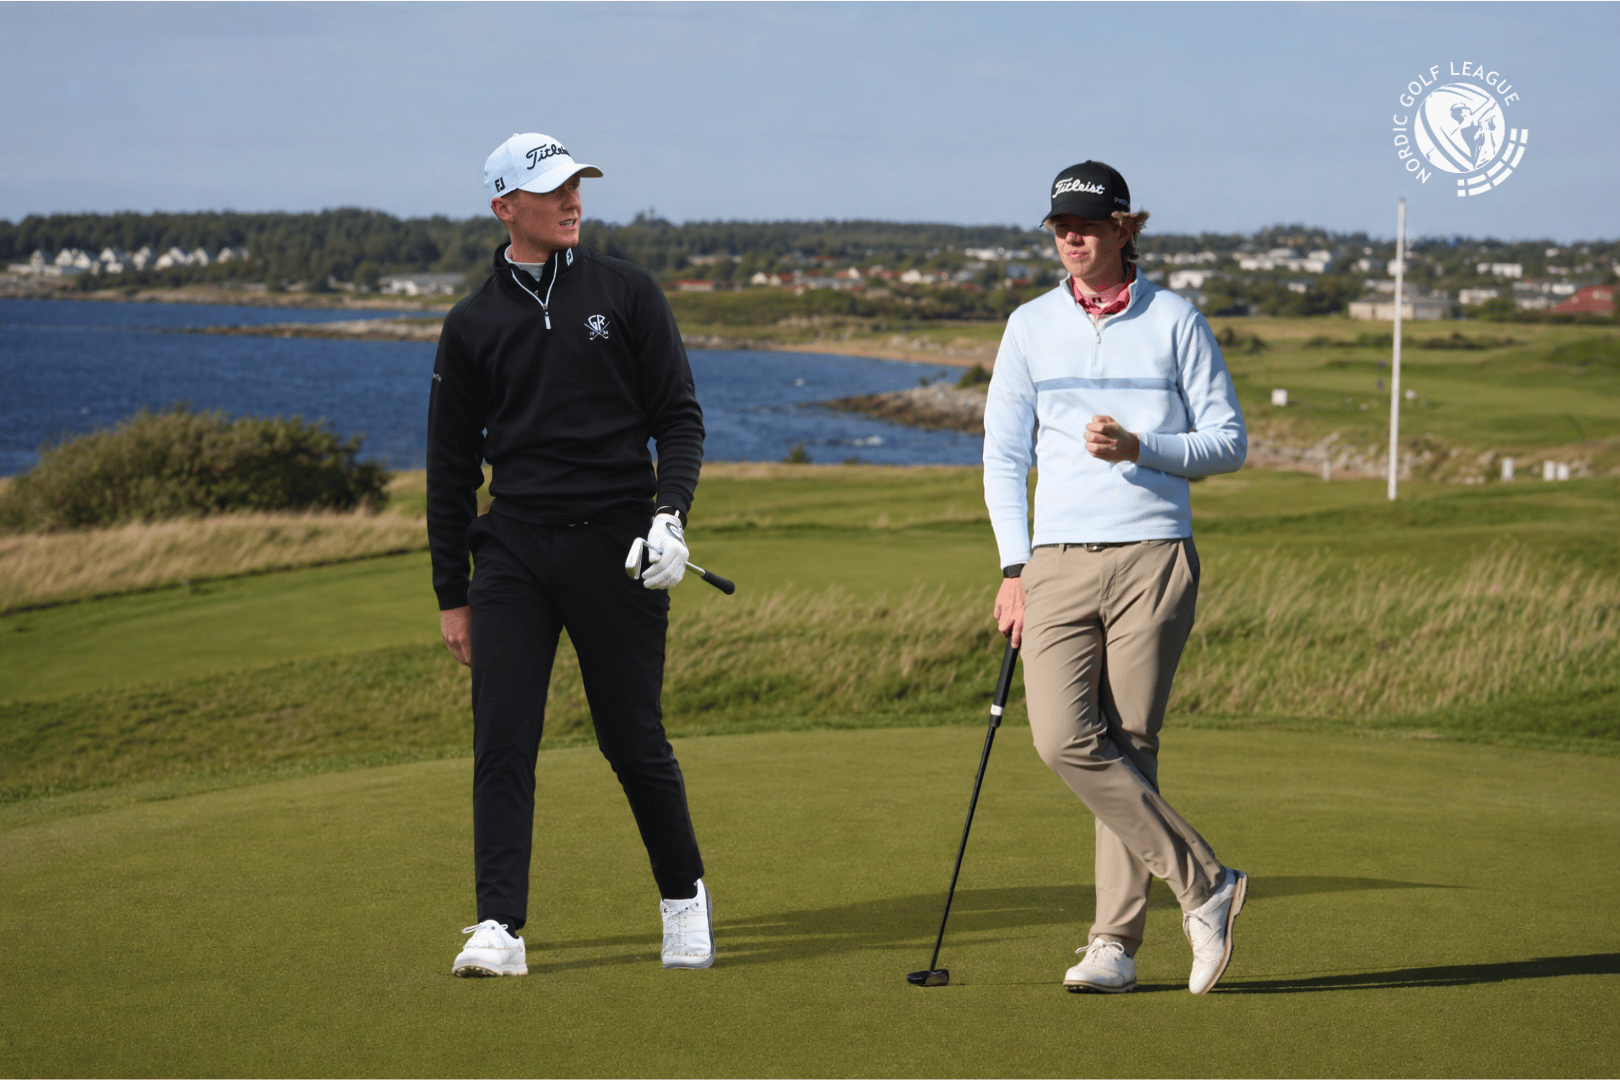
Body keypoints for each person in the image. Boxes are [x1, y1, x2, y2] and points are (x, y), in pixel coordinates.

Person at [427, 132, 713, 977]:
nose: (571, 200)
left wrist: (671, 516)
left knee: (631, 738)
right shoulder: (472, 323)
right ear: (504, 206)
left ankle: (683, 898)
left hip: (619, 545)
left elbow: (679, 418)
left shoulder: (625, 292)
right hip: (513, 548)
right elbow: (449, 472)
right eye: (551, 188)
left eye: (576, 185)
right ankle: (498, 927)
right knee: (502, 738)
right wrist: (453, 594)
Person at [981, 161, 1249, 995]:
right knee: (1063, 737)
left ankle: (1114, 946)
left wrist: (1142, 449)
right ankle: (1206, 883)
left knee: (1131, 746)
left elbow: (1229, 443)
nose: (1073, 236)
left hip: (1154, 553)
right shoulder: (1028, 325)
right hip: (1055, 560)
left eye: (1090, 224)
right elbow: (1003, 455)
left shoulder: (1176, 320)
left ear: (1126, 228)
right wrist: (1013, 564)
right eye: (1061, 224)